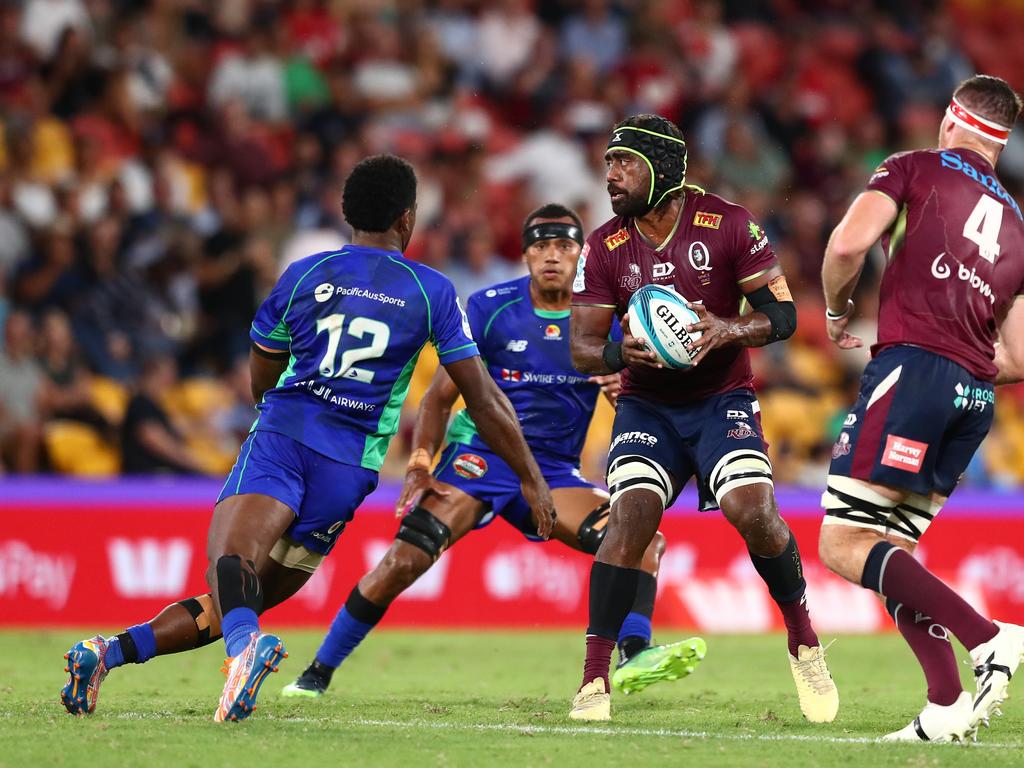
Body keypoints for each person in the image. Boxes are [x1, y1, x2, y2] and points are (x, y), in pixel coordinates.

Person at [60, 154, 555, 723]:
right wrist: (531, 477)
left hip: (287, 435)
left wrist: (276, 409)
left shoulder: (305, 273)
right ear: (406, 218)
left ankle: (244, 653)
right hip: (349, 468)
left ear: (349, 214)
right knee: (242, 603)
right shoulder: (433, 290)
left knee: (230, 564)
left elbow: (261, 370)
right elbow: (485, 399)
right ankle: (106, 655)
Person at [280, 204, 705, 699]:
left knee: (645, 539)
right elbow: (438, 397)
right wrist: (420, 463)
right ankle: (316, 673)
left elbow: (644, 396)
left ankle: (635, 653)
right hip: (479, 459)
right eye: (541, 246)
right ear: (524, 255)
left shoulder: (604, 320)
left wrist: (627, 393)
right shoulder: (489, 308)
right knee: (402, 562)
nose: (552, 257)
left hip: (553, 473)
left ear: (580, 256)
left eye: (563, 246)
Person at [569, 113, 837, 722]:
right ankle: (592, 681)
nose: (611, 174)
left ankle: (804, 639)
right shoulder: (605, 245)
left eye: (624, 162)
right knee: (629, 518)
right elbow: (582, 347)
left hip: (723, 400)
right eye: (608, 163)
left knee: (753, 510)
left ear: (662, 169)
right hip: (647, 405)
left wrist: (727, 328)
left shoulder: (728, 224)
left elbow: (785, 316)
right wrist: (619, 352)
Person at [818, 74, 1024, 742]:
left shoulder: (914, 168)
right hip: (973, 394)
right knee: (891, 548)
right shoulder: (1018, 227)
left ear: (951, 121)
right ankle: (944, 705)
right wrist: (965, 367)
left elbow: (849, 244)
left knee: (842, 542)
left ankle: (989, 637)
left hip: (914, 370)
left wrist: (835, 307)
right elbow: (1019, 358)